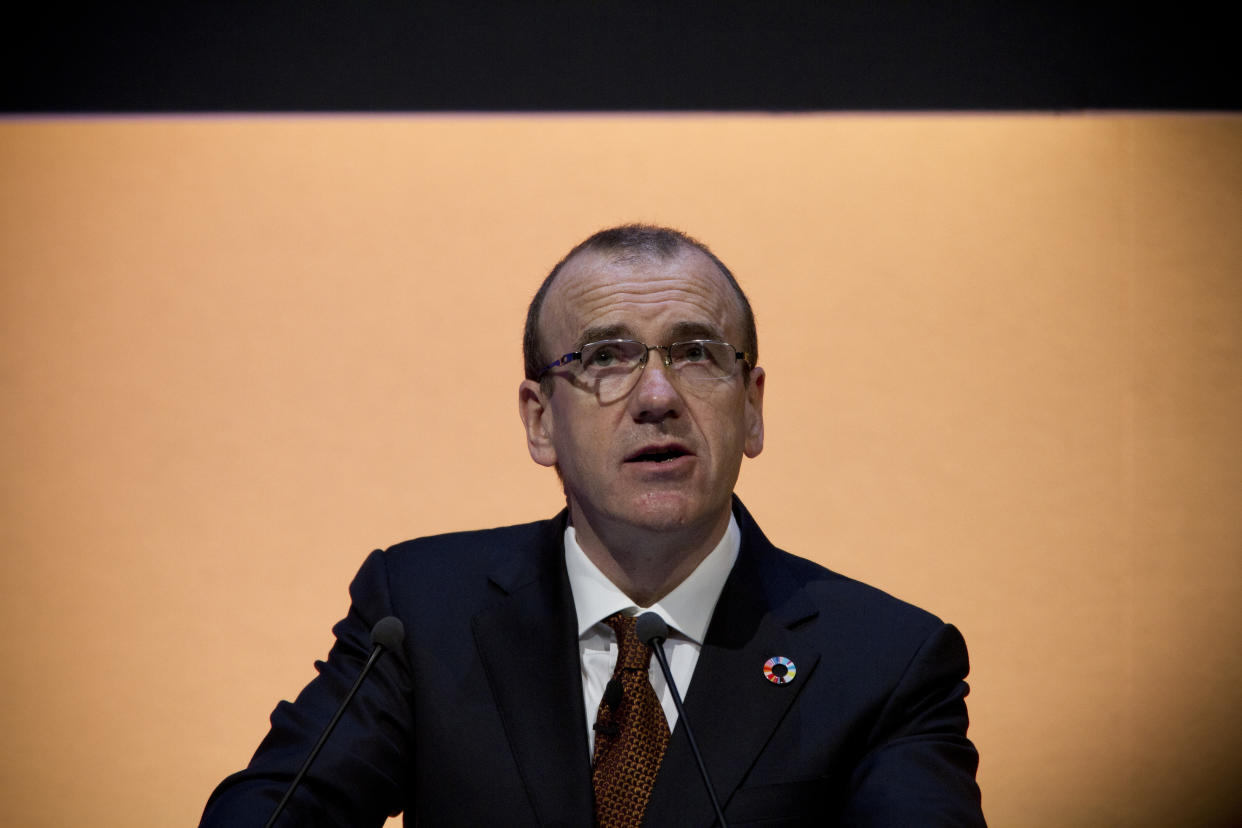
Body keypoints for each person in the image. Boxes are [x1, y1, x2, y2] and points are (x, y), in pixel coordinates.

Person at [200, 224, 985, 826]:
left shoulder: (884, 662)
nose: (656, 396)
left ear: (752, 408)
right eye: (606, 357)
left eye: (697, 354)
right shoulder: (418, 616)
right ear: (540, 421)